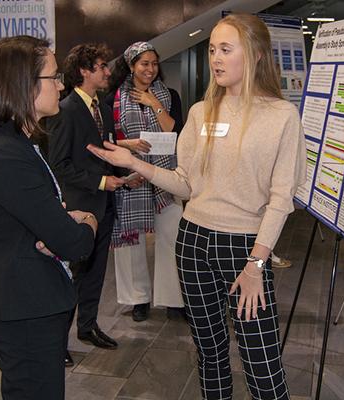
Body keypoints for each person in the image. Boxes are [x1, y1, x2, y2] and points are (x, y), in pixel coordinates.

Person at [89, 13, 306, 400]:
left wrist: (257, 265)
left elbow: (281, 198)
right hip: (192, 241)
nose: (216, 59)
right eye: (211, 50)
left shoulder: (282, 116)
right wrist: (136, 164)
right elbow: (185, 182)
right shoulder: (200, 113)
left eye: (226, 49)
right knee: (209, 354)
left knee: (261, 361)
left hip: (245, 248)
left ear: (255, 55)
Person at [0, 36, 97, 399]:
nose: (61, 85)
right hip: (21, 306)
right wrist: (87, 220)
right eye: (53, 77)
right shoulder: (7, 154)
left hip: (29, 299)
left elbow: (46, 219)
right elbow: (72, 242)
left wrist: (61, 221)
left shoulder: (21, 143)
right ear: (23, 85)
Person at [47, 44, 135, 365]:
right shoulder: (66, 110)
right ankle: (57, 342)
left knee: (96, 271)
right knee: (73, 275)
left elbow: (103, 151)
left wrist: (125, 175)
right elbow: (59, 165)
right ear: (84, 71)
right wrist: (101, 182)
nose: (108, 71)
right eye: (101, 66)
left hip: (105, 205)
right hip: (81, 208)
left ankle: (88, 326)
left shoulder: (101, 105)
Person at [106, 41, 184, 322]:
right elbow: (106, 139)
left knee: (173, 236)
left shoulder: (169, 95)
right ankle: (137, 300)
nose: (150, 69)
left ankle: (174, 299)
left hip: (165, 178)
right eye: (144, 64)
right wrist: (130, 145)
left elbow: (177, 131)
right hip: (130, 177)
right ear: (131, 66)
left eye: (154, 63)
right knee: (130, 240)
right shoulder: (113, 98)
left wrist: (154, 103)